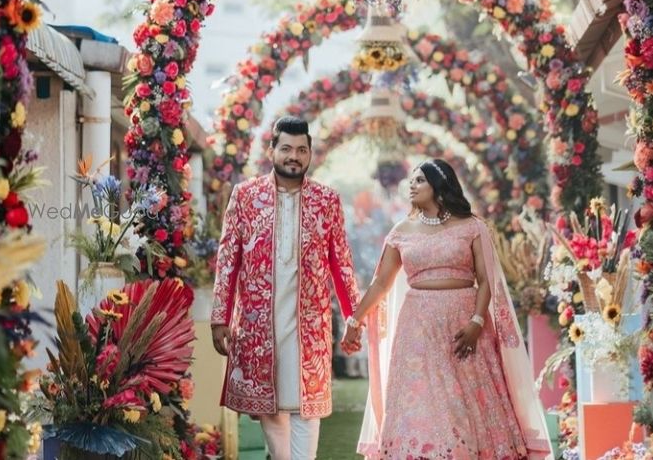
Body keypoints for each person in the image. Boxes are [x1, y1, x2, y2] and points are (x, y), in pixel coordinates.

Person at [342, 158, 553, 460]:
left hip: (463, 324)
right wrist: (355, 320)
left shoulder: (472, 226)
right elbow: (380, 284)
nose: (411, 186)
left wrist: (477, 323)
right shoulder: (401, 230)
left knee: (465, 401)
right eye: (411, 180)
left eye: (419, 180)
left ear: (438, 185)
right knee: (423, 401)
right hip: (417, 328)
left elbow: (485, 280)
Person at [211, 115, 360, 460]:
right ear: (272, 150)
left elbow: (342, 262)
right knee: (272, 408)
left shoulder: (327, 200)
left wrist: (354, 315)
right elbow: (227, 259)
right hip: (258, 322)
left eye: (301, 150)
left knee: (307, 407)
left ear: (310, 154)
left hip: (309, 322)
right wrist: (220, 317)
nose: (294, 156)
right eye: (287, 149)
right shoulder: (246, 196)